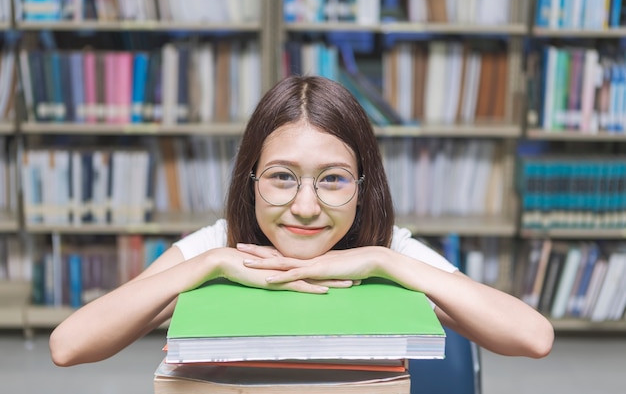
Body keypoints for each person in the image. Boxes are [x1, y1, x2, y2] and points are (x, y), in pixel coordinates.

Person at [49, 75, 554, 367]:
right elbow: (68, 346)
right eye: (282, 178)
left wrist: (380, 259)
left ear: (364, 186)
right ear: (250, 181)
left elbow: (533, 337)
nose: (306, 207)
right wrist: (211, 263)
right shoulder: (220, 244)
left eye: (333, 180)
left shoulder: (388, 248)